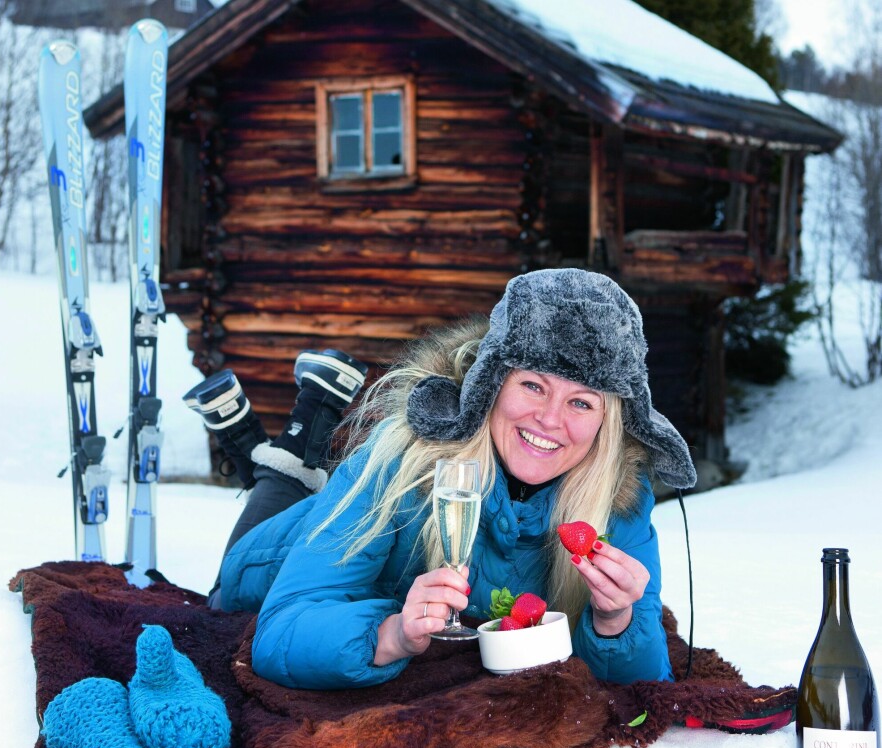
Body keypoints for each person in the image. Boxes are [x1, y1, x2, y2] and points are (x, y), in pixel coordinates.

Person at [186, 268, 697, 690]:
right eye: (533, 385)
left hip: (331, 527)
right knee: (279, 501)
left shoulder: (618, 500)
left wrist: (614, 622)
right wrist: (391, 635)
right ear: (492, 384)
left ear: (607, 422)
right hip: (267, 562)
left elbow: (649, 683)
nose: (549, 419)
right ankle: (295, 438)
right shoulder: (404, 457)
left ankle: (298, 431)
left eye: (581, 402)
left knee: (309, 486)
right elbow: (281, 632)